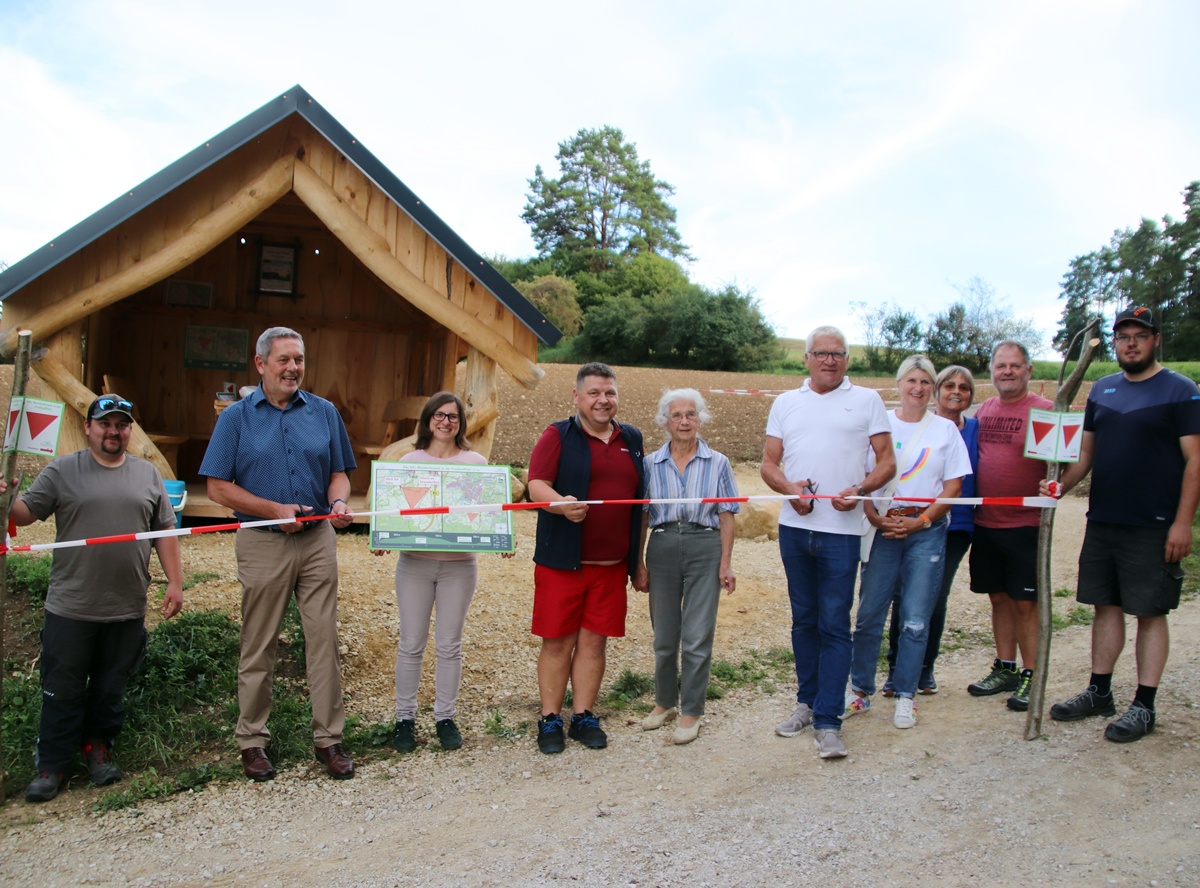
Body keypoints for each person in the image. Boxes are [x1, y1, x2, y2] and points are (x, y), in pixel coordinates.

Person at [6, 394, 184, 803]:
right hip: (71, 605)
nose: (114, 432)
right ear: (88, 427)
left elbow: (164, 532)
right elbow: (25, 513)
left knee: (109, 688)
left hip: (125, 605)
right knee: (61, 689)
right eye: (105, 424)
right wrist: (5, 496)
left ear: (129, 431)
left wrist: (175, 582)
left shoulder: (147, 475)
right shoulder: (62, 471)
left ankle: (98, 748)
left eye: (122, 425)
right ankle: (52, 764)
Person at [200, 326, 357, 781]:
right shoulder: (235, 418)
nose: (293, 368)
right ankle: (252, 741)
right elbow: (216, 486)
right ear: (261, 364)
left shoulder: (324, 412)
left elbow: (339, 474)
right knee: (259, 641)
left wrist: (340, 502)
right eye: (284, 359)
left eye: (299, 360)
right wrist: (273, 510)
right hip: (262, 541)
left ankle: (329, 740)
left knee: (323, 639)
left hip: (315, 540)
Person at [1043, 307, 1200, 742]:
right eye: (1123, 336)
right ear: (1114, 343)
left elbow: (1195, 461)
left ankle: (1145, 706)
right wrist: (1058, 487)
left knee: (1150, 612)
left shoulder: (1180, 391)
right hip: (1104, 520)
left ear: (1155, 340)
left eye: (1140, 335)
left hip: (1153, 525)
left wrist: (1182, 523)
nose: (1131, 343)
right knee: (1105, 607)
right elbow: (1085, 456)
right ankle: (1100, 691)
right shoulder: (1104, 390)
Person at [761, 326, 895, 759]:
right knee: (804, 620)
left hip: (842, 532)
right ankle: (807, 702)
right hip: (795, 528)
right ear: (807, 358)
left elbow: (887, 462)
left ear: (847, 359)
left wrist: (859, 488)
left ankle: (829, 720)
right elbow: (768, 464)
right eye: (821, 352)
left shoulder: (868, 401)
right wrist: (788, 490)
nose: (829, 360)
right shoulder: (786, 403)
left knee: (835, 623)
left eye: (837, 353)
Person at [377, 392, 515, 754]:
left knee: (450, 646)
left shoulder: (476, 462)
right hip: (414, 565)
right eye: (439, 415)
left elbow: (489, 509)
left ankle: (444, 718)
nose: (445, 422)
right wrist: (382, 535)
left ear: (460, 423)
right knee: (411, 643)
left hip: (459, 567)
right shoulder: (409, 460)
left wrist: (500, 535)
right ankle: (404, 719)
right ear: (427, 420)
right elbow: (392, 511)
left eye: (452, 417)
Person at [844, 355, 971, 729]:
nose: (918, 388)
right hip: (884, 526)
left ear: (933, 388)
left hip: (926, 531)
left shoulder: (945, 431)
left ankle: (905, 694)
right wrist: (872, 517)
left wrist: (922, 521)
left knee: (915, 619)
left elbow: (953, 487)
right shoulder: (879, 424)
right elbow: (862, 475)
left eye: (925, 382)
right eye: (911, 381)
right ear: (898, 384)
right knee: (869, 615)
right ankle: (860, 691)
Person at [527, 362, 646, 754]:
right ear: (576, 397)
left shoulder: (632, 438)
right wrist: (560, 505)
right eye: (594, 392)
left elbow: (640, 504)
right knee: (558, 642)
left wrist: (637, 561)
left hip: (611, 568)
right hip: (564, 564)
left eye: (609, 393)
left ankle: (583, 715)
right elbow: (535, 485)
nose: (602, 400)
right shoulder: (557, 435)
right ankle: (549, 720)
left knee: (594, 644)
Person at [633, 389, 738, 745]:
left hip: (704, 546)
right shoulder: (650, 464)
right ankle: (665, 703)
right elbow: (643, 515)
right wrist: (639, 563)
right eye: (676, 415)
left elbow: (727, 515)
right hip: (662, 547)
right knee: (664, 636)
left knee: (696, 636)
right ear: (665, 422)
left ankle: (692, 710)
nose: (684, 421)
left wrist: (725, 562)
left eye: (690, 414)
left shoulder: (718, 462)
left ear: (700, 419)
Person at [881, 365, 979, 695]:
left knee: (931, 599)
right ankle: (898, 667)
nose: (956, 392)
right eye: (948, 385)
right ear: (938, 391)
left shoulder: (975, 428)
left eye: (964, 388)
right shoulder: (924, 426)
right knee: (900, 596)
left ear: (970, 397)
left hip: (956, 525)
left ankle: (924, 668)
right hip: (914, 522)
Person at [967, 341, 1053, 712]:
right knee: (998, 597)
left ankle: (1033, 674)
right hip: (987, 522)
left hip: (1027, 524)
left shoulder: (1046, 411)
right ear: (992, 371)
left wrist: (1055, 484)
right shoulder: (985, 409)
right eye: (1001, 366)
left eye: (1015, 366)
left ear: (1029, 370)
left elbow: (1062, 464)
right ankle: (1006, 667)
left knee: (1025, 603)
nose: (1007, 372)